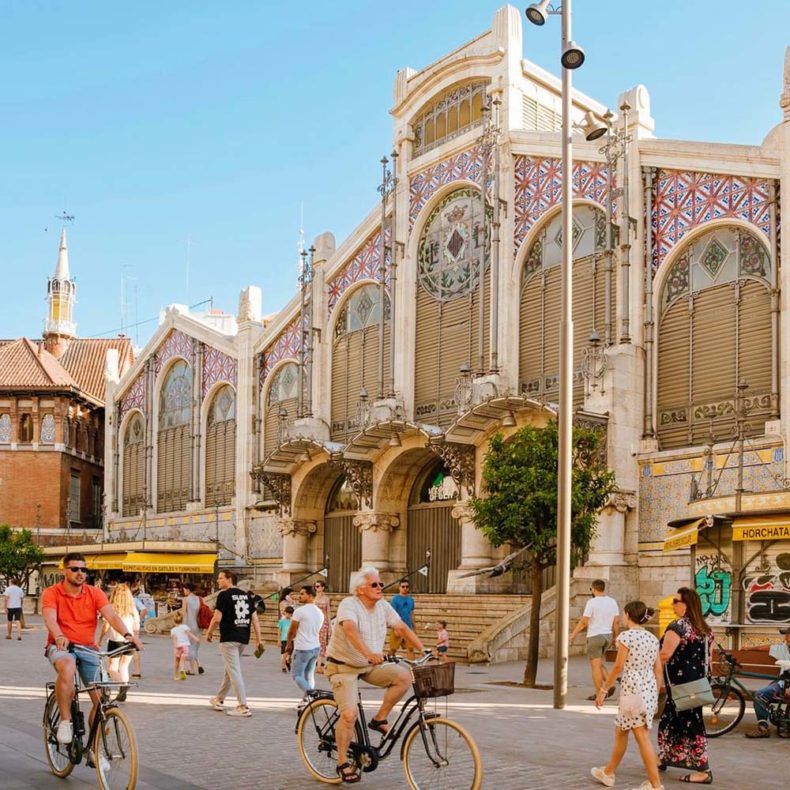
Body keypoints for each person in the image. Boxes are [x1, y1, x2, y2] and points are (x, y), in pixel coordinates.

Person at [325, 566, 425, 784]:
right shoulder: (349, 605)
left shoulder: (383, 606)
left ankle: (379, 719)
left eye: (380, 584)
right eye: (374, 584)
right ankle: (342, 761)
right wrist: (368, 653)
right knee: (349, 715)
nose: (380, 587)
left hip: (368, 665)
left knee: (404, 677)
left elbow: (402, 628)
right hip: (343, 667)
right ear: (361, 589)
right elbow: (350, 630)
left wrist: (424, 650)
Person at [42, 552, 143, 746]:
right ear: (64, 571)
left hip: (88, 648)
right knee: (68, 665)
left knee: (102, 701)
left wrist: (129, 635)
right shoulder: (52, 593)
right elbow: (49, 618)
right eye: (75, 569)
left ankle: (94, 750)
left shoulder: (94, 593)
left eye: (84, 569)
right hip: (61, 646)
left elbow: (112, 617)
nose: (80, 573)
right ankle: (65, 721)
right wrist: (59, 635)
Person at [591, 601, 663, 790]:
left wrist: (603, 690)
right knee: (621, 731)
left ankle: (656, 785)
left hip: (632, 688)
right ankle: (608, 773)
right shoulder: (652, 639)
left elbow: (618, 666)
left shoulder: (626, 637)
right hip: (647, 689)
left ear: (628, 615)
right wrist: (654, 696)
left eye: (624, 613)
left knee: (641, 736)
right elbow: (658, 671)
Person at [658, 587, 714, 785]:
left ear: (686, 604)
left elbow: (664, 655)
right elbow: (709, 658)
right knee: (670, 720)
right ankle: (664, 757)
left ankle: (703, 770)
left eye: (676, 601)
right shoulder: (704, 628)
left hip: (680, 685)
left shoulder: (678, 626)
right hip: (695, 684)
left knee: (692, 726)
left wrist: (651, 673)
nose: (673, 605)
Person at [206, 570, 262, 717]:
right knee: (230, 670)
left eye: (220, 578)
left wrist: (209, 632)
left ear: (229, 579)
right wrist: (259, 639)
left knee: (234, 671)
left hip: (229, 637)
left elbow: (217, 618)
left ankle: (242, 705)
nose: (218, 581)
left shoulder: (224, 595)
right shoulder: (246, 596)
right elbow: (255, 619)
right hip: (243, 638)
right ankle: (219, 698)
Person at [569, 579, 620, 700]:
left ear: (593, 589)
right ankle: (610, 684)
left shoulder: (591, 602)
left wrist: (573, 634)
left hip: (595, 636)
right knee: (599, 663)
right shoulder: (612, 602)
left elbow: (584, 622)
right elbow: (616, 622)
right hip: (607, 636)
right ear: (603, 588)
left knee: (595, 666)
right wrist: (615, 636)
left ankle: (599, 693)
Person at [744, 626, 790, 738]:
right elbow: (766, 648)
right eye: (786, 635)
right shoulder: (783, 648)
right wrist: (748, 649)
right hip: (782, 684)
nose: (787, 637)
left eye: (789, 635)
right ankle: (763, 728)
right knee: (760, 695)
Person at [100, 582, 139, 702]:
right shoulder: (132, 609)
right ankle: (123, 689)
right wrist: (136, 639)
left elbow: (106, 626)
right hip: (130, 641)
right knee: (124, 667)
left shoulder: (112, 608)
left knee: (112, 668)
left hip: (115, 641)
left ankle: (122, 685)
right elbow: (136, 625)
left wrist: (99, 639)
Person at [286, 585, 325, 701]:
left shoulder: (299, 611)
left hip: (303, 648)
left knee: (297, 675)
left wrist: (288, 644)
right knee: (309, 675)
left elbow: (292, 631)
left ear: (311, 596)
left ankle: (312, 695)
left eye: (303, 594)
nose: (300, 596)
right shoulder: (319, 612)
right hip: (315, 647)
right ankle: (308, 701)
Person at [388, 579, 416, 660]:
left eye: (407, 587)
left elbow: (412, 614)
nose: (405, 588)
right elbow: (392, 614)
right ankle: (387, 664)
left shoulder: (411, 600)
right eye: (403, 586)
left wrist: (414, 628)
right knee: (393, 650)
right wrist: (395, 628)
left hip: (408, 628)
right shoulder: (395, 599)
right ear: (399, 587)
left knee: (411, 649)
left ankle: (412, 668)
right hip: (398, 627)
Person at [180, 582, 203, 675]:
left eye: (184, 589)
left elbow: (183, 613)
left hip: (188, 625)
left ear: (188, 589)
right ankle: (198, 666)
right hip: (198, 626)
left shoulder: (185, 599)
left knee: (188, 647)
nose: (183, 591)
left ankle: (192, 669)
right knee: (195, 647)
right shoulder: (200, 599)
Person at [171, 611, 200, 680]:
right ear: (182, 620)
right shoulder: (185, 627)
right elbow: (189, 634)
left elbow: (174, 639)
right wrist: (196, 639)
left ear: (174, 621)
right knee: (182, 661)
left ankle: (176, 676)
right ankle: (182, 669)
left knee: (177, 661)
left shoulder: (173, 630)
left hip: (178, 647)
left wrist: (176, 646)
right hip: (185, 647)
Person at [314, 579, 332, 674]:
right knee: (313, 643)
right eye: (315, 586)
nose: (316, 588)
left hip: (323, 623)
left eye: (318, 586)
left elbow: (328, 612)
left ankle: (319, 666)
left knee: (322, 644)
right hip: (314, 623)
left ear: (322, 587)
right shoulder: (313, 598)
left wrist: (329, 626)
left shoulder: (326, 599)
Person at [279, 606, 294, 672]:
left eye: (291, 614)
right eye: (288, 613)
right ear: (285, 613)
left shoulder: (292, 621)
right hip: (284, 639)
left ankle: (287, 662)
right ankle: (283, 667)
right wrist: (279, 640)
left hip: (291, 640)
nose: (289, 615)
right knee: (285, 653)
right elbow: (279, 631)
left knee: (290, 654)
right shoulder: (281, 621)